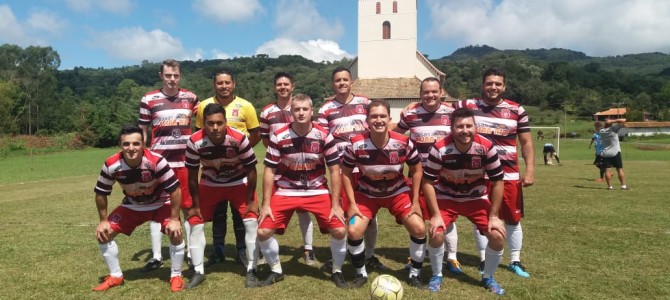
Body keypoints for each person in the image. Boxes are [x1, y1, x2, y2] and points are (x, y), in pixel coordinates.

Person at [257, 94, 349, 288]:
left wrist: (336, 204)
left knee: (340, 230)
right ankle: (276, 270)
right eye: (296, 109)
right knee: (264, 231)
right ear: (291, 112)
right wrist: (265, 204)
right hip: (286, 189)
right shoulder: (279, 135)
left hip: (317, 190)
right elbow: (269, 170)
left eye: (304, 109)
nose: (301, 113)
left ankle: (337, 271)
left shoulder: (324, 134)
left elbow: (334, 170)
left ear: (311, 111)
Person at [454, 67, 535, 278]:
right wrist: (412, 105)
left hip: (508, 174)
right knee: (483, 219)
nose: (493, 87)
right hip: (479, 175)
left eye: (497, 84)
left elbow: (526, 143)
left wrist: (530, 170)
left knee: (512, 220)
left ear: (504, 87)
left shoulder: (517, 110)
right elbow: (439, 106)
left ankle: (515, 260)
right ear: (483, 85)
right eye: (489, 83)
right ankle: (483, 258)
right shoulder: (469, 105)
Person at [422, 108, 508, 295]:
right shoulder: (440, 148)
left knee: (497, 235)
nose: (465, 130)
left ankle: (488, 277)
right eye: (460, 126)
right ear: (452, 128)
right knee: (436, 233)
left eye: (469, 126)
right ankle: (437, 275)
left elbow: (498, 181)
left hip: (476, 198)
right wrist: (435, 215)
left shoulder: (486, 146)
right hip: (447, 197)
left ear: (475, 127)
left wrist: (494, 216)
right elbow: (427, 182)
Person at [342, 100, 427, 288]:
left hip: (397, 192)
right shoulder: (355, 144)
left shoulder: (403, 142)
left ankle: (415, 274)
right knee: (354, 230)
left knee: (419, 228)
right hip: (367, 193)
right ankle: (361, 273)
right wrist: (353, 205)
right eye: (374, 116)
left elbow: (417, 170)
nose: (378, 120)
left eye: (382, 116)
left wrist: (414, 203)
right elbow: (346, 174)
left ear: (389, 119)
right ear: (367, 120)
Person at [92, 124, 185, 292]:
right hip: (132, 206)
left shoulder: (156, 161)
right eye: (126, 144)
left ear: (143, 144)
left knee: (175, 232)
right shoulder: (111, 164)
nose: (131, 148)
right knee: (103, 234)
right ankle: (115, 276)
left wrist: (174, 219)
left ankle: (176, 275)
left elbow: (175, 190)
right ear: (120, 145)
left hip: (160, 203)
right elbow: (100, 192)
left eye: (136, 143)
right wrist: (103, 221)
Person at [317, 66, 387, 272]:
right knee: (343, 214)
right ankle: (346, 252)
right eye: (337, 80)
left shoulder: (365, 103)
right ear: (333, 84)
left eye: (345, 80)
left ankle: (370, 255)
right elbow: (322, 139)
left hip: (365, 169)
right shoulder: (325, 109)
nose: (341, 83)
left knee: (370, 216)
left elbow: (377, 124)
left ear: (351, 82)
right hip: (340, 170)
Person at [393, 77, 464, 275]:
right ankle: (417, 254)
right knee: (417, 216)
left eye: (434, 91)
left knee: (447, 217)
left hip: (445, 176)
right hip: (418, 174)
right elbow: (397, 134)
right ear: (420, 94)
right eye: (426, 92)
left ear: (442, 92)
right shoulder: (411, 114)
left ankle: (452, 257)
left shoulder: (452, 114)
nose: (430, 95)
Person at [185, 103, 260, 289]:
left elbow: (251, 170)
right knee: (195, 221)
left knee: (251, 220)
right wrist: (195, 204)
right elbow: (192, 175)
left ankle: (252, 269)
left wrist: (250, 200)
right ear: (204, 124)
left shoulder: (239, 138)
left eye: (219, 122)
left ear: (226, 122)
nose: (215, 128)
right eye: (210, 123)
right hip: (211, 183)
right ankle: (198, 271)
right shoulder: (194, 141)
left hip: (238, 182)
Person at [195, 69, 261, 266]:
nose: (223, 86)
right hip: (213, 172)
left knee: (241, 213)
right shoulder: (204, 106)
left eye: (227, 83)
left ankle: (242, 250)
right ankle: (219, 250)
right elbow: (199, 135)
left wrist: (241, 153)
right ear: (214, 85)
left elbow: (255, 133)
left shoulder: (246, 106)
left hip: (238, 169)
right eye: (219, 83)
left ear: (234, 84)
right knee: (218, 212)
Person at [138, 59, 197, 272]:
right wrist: (143, 156)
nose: (172, 79)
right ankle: (156, 256)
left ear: (180, 76)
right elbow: (143, 129)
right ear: (161, 75)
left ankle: (191, 252)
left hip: (185, 162)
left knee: (188, 208)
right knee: (157, 208)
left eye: (176, 75)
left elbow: (201, 125)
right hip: (159, 165)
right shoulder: (149, 99)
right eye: (168, 75)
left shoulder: (191, 98)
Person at [259, 72, 317, 265]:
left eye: (286, 84)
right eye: (279, 85)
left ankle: (308, 249)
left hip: (302, 167)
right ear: (275, 87)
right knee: (269, 207)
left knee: (304, 209)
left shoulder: (300, 107)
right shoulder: (267, 111)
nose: (282, 87)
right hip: (278, 167)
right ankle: (264, 249)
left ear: (293, 86)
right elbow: (266, 139)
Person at [599, 118, 629, 190]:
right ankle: (623, 186)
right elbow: (624, 120)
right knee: (619, 169)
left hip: (605, 153)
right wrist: (613, 121)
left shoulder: (601, 131)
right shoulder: (613, 129)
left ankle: (610, 186)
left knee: (607, 170)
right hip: (615, 152)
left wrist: (608, 122)